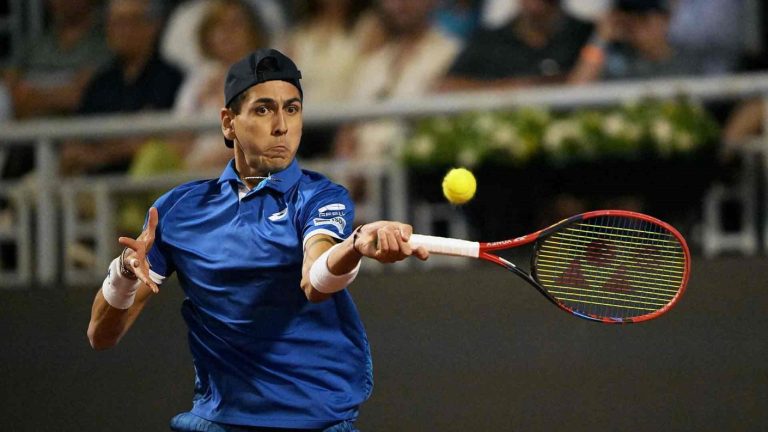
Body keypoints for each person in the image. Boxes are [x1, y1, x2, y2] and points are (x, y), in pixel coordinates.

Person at [86, 48, 430, 431]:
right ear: (229, 123)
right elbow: (101, 335)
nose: (282, 125)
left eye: (293, 109)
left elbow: (316, 280)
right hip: (217, 421)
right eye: (264, 109)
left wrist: (353, 246)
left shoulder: (320, 197)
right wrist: (124, 274)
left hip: (313, 423)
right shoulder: (178, 211)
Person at [173, 0, 268, 171]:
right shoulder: (198, 79)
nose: (227, 33)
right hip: (193, 169)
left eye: (235, 24)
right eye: (218, 26)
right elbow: (179, 139)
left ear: (253, 32)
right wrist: (199, 101)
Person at [439, 0, 593, 91]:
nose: (535, 5)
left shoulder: (585, 34)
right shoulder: (490, 40)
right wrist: (506, 88)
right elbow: (446, 85)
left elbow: (591, 80)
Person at [568, 0, 700, 84]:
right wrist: (600, 38)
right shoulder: (615, 59)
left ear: (665, 19)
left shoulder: (691, 59)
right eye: (628, 19)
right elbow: (577, 92)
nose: (634, 25)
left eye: (642, 18)